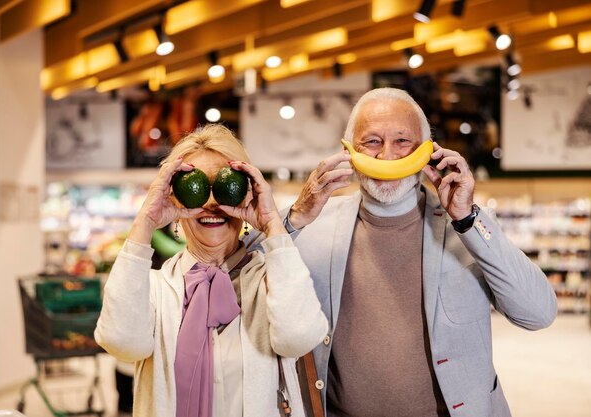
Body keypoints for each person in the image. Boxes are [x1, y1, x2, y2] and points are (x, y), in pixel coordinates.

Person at [252, 88, 558, 417]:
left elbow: (538, 313)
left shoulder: (469, 229)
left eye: (402, 141)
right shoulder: (312, 222)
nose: (387, 156)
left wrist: (468, 218)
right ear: (349, 151)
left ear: (428, 152)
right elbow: (242, 274)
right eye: (371, 141)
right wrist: (296, 215)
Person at [95, 124, 328, 417]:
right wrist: (145, 222)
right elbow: (121, 343)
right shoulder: (156, 288)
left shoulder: (273, 281)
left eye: (222, 187)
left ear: (245, 193)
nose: (210, 204)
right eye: (197, 189)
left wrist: (272, 224)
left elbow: (300, 337)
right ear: (177, 198)